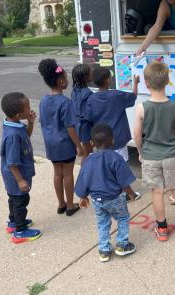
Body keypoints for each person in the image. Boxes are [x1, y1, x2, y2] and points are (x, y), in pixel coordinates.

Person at [133, 61, 175, 241]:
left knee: (157, 192)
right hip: (171, 155)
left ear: (146, 83)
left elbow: (137, 135)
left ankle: (161, 228)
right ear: (167, 82)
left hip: (150, 156)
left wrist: (140, 151)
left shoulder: (141, 108)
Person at [75, 124, 137, 262]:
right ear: (113, 141)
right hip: (114, 198)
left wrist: (83, 197)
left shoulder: (88, 161)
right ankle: (122, 245)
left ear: (91, 143)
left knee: (102, 223)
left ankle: (104, 250)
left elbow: (83, 179)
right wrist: (131, 194)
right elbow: (124, 182)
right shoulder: (115, 158)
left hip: (97, 200)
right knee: (122, 218)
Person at [38, 59, 85, 217]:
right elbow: (70, 127)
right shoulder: (65, 102)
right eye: (65, 78)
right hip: (65, 144)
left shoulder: (43, 100)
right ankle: (71, 205)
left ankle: (61, 204)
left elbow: (44, 122)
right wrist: (78, 145)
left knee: (57, 173)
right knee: (68, 173)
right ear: (61, 81)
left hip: (51, 144)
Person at [87, 66, 141, 202]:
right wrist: (135, 83)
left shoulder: (91, 99)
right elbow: (133, 97)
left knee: (107, 167)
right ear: (107, 81)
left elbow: (89, 118)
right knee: (121, 167)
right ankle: (128, 194)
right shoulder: (117, 95)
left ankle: (112, 190)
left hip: (101, 141)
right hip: (118, 139)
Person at [0, 92, 42, 244]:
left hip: (14, 175)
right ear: (18, 114)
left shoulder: (15, 126)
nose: (30, 109)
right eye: (28, 107)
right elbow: (11, 162)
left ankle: (13, 222)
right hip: (16, 175)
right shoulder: (12, 135)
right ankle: (20, 231)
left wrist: (30, 123)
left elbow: (26, 138)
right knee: (21, 201)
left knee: (14, 199)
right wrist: (20, 181)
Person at [71, 63, 94, 157]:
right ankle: (84, 171)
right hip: (85, 127)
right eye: (90, 72)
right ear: (86, 77)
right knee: (88, 153)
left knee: (87, 152)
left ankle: (86, 170)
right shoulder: (88, 93)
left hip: (78, 125)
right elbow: (89, 114)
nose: (92, 73)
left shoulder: (75, 90)